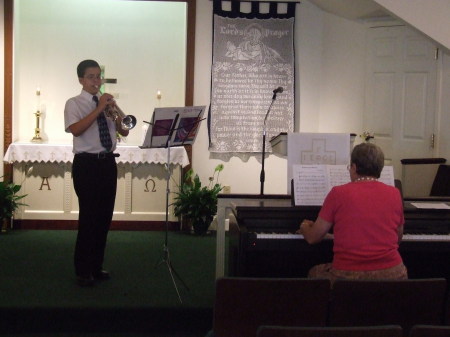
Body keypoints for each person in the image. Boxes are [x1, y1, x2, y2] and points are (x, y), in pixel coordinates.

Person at [298, 143, 407, 284]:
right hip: (393, 274)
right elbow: (398, 237)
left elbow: (313, 238)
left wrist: (304, 226)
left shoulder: (338, 193)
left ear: (354, 167)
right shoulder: (394, 193)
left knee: (314, 273)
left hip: (348, 276)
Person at [64, 60, 129, 287]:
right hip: (87, 165)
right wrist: (99, 108)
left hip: (107, 164)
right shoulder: (74, 103)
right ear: (81, 80)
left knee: (104, 218)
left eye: (98, 76)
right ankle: (83, 270)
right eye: (91, 76)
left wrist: (116, 113)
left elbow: (124, 131)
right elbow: (76, 130)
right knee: (89, 217)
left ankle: (96, 265)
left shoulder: (107, 104)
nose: (96, 81)